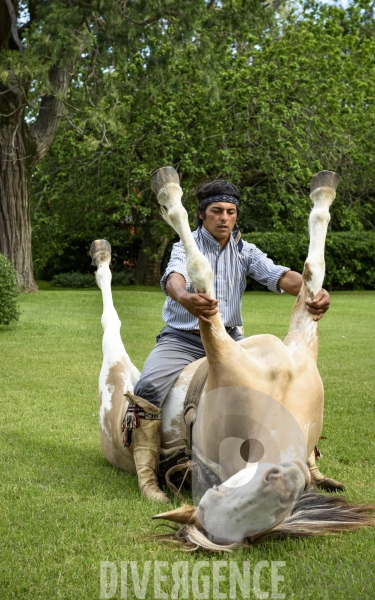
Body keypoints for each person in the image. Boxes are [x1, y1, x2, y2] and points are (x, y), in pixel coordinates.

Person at [126, 179, 330, 502]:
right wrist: (185, 298)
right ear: (200, 214)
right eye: (216, 211)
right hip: (181, 340)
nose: (224, 217)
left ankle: (306, 460)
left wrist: (311, 291)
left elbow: (279, 275)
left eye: (230, 212)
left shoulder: (244, 250)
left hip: (231, 340)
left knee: (281, 384)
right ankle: (148, 477)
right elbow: (174, 279)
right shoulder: (185, 244)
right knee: (148, 386)